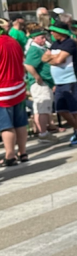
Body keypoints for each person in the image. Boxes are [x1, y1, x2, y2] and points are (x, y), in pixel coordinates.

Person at [42, 21, 77, 146]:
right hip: (59, 82)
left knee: (74, 110)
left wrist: (52, 59)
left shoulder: (70, 43)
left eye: (53, 31)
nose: (51, 33)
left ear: (60, 32)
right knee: (60, 109)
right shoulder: (55, 44)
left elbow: (59, 60)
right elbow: (44, 58)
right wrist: (53, 59)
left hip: (70, 81)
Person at [0, 21, 30, 166]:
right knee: (20, 123)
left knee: (6, 125)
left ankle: (10, 155)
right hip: (18, 87)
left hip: (2, 90)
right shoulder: (14, 42)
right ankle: (23, 152)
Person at [24, 28, 59, 143]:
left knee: (43, 109)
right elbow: (28, 65)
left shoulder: (41, 48)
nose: (44, 39)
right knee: (42, 109)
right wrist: (36, 76)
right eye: (41, 37)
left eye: (44, 37)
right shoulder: (34, 50)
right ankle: (43, 133)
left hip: (46, 82)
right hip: (40, 83)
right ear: (34, 38)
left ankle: (43, 132)